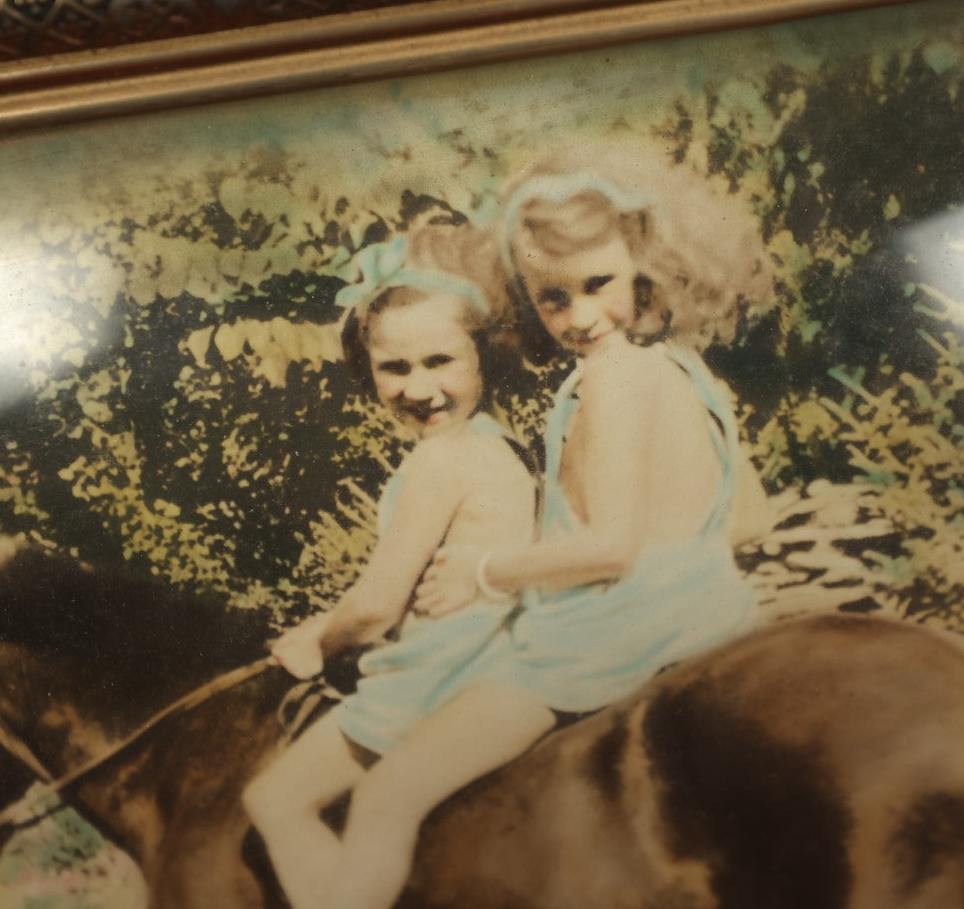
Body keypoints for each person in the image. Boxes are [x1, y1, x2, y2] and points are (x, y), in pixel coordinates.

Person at [314, 142, 772, 909]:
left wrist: (484, 574)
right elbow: (747, 518)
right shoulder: (683, 367)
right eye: (552, 299)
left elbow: (610, 547)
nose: (579, 317)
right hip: (713, 611)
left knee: (387, 794)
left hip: (609, 638)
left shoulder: (613, 376)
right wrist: (679, 564)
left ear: (645, 264)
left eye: (598, 285)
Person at [243, 221, 536, 909]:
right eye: (394, 369)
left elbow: (376, 608)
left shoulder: (442, 459)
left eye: (439, 362)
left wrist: (319, 642)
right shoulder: (495, 444)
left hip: (446, 671)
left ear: (482, 359)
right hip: (492, 654)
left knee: (275, 799)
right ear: (366, 370)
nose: (418, 388)